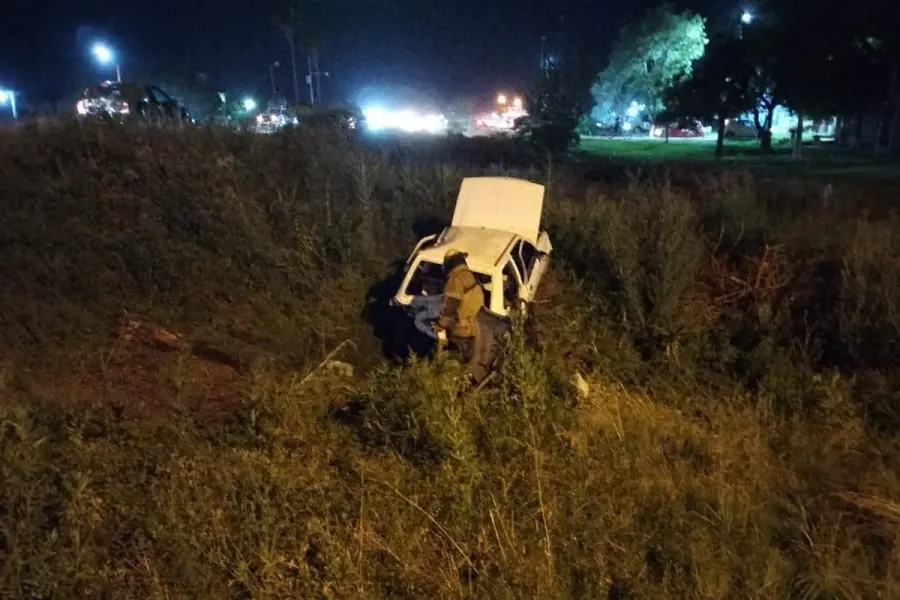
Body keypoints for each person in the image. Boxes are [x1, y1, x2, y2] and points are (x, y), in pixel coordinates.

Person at [433, 249, 500, 385]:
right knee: (471, 361)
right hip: (475, 328)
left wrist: (440, 325)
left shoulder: (455, 279)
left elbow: (450, 306)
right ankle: (472, 387)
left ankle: (452, 390)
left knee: (454, 362)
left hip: (461, 331)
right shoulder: (470, 276)